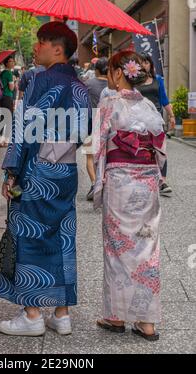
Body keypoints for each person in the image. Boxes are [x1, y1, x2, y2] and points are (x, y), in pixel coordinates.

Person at [0, 22, 91, 337]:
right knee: (63, 237)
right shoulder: (79, 85)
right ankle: (62, 314)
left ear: (56, 47)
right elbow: (83, 131)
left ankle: (33, 314)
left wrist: (11, 172)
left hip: (37, 173)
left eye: (40, 42)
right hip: (66, 171)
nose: (35, 48)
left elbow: (25, 130)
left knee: (30, 235)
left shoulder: (40, 81)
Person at [94, 50, 166, 342]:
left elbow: (98, 146)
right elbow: (160, 150)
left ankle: (115, 316)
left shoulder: (109, 102)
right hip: (147, 180)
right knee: (148, 250)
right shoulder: (149, 105)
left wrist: (98, 183)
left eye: (111, 70)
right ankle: (147, 322)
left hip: (120, 183)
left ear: (119, 72)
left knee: (117, 248)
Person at [137, 52, 175, 196]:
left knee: (161, 150)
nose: (144, 65)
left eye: (147, 62)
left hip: (156, 120)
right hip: (139, 121)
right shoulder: (134, 81)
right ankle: (144, 180)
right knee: (143, 150)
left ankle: (162, 182)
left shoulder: (157, 79)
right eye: (141, 62)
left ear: (150, 64)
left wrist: (171, 116)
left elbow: (164, 99)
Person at [83, 57, 109, 201]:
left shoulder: (87, 84)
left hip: (90, 122)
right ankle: (105, 184)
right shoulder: (114, 85)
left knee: (89, 156)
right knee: (107, 156)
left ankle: (94, 184)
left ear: (96, 70)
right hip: (109, 124)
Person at [0, 56, 15, 146]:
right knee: (9, 118)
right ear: (6, 63)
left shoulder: (2, 73)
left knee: (3, 118)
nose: (13, 63)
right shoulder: (8, 73)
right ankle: (6, 140)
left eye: (13, 61)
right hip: (7, 96)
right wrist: (14, 81)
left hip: (1, 97)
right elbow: (11, 88)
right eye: (10, 61)